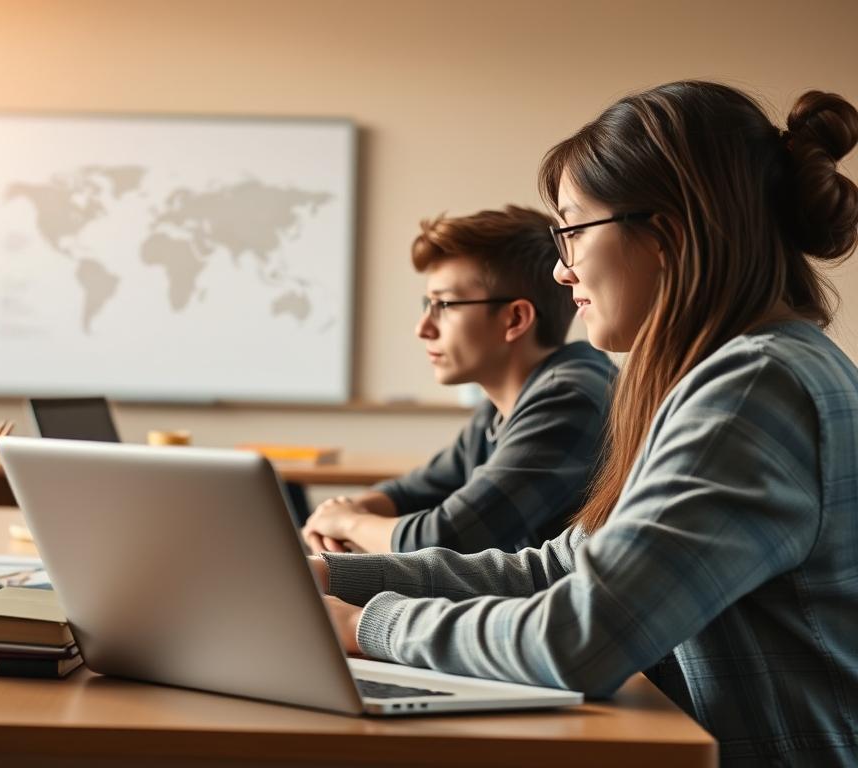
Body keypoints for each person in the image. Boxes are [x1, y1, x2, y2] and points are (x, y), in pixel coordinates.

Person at [312, 82, 858, 765]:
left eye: (570, 230)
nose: (563, 271)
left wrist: (367, 626)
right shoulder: (736, 373)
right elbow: (564, 566)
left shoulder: (754, 389)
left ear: (668, 232)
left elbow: (581, 640)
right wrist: (335, 581)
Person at [301, 207, 614, 555]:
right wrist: (343, 510)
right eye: (427, 304)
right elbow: (413, 492)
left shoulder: (568, 398)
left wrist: (347, 522)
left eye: (444, 305)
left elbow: (446, 539)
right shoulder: (495, 412)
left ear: (515, 318)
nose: (423, 328)